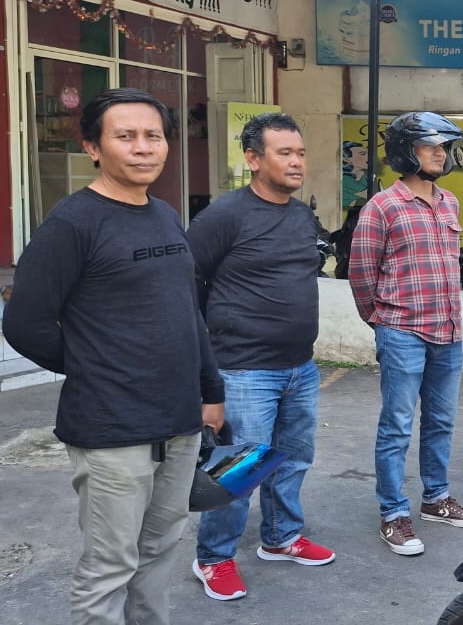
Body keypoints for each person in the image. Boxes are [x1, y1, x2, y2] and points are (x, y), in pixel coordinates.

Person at [2, 88, 225, 625]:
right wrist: (97, 366)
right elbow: (25, 324)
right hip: (111, 428)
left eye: (154, 136)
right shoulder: (73, 224)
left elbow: (187, 312)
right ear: (93, 148)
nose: (143, 147)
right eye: (125, 136)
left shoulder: (165, 216)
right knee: (110, 565)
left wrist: (210, 392)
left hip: (179, 422)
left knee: (159, 551)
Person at [187, 113, 335, 601]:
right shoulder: (224, 216)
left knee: (292, 461)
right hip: (244, 369)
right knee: (238, 470)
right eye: (284, 153)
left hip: (301, 366)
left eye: (300, 153)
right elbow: (187, 282)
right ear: (253, 159)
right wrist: (204, 357)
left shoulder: (300, 215)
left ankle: (281, 537)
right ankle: (213, 558)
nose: (296, 162)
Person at [349, 111, 463, 557]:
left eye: (443, 147)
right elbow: (361, 274)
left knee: (441, 421)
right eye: (431, 146)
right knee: (397, 426)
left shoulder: (450, 202)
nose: (440, 154)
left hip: (448, 331)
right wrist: (382, 321)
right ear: (406, 151)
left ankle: (436, 499)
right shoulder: (381, 207)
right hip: (402, 332)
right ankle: (393, 514)